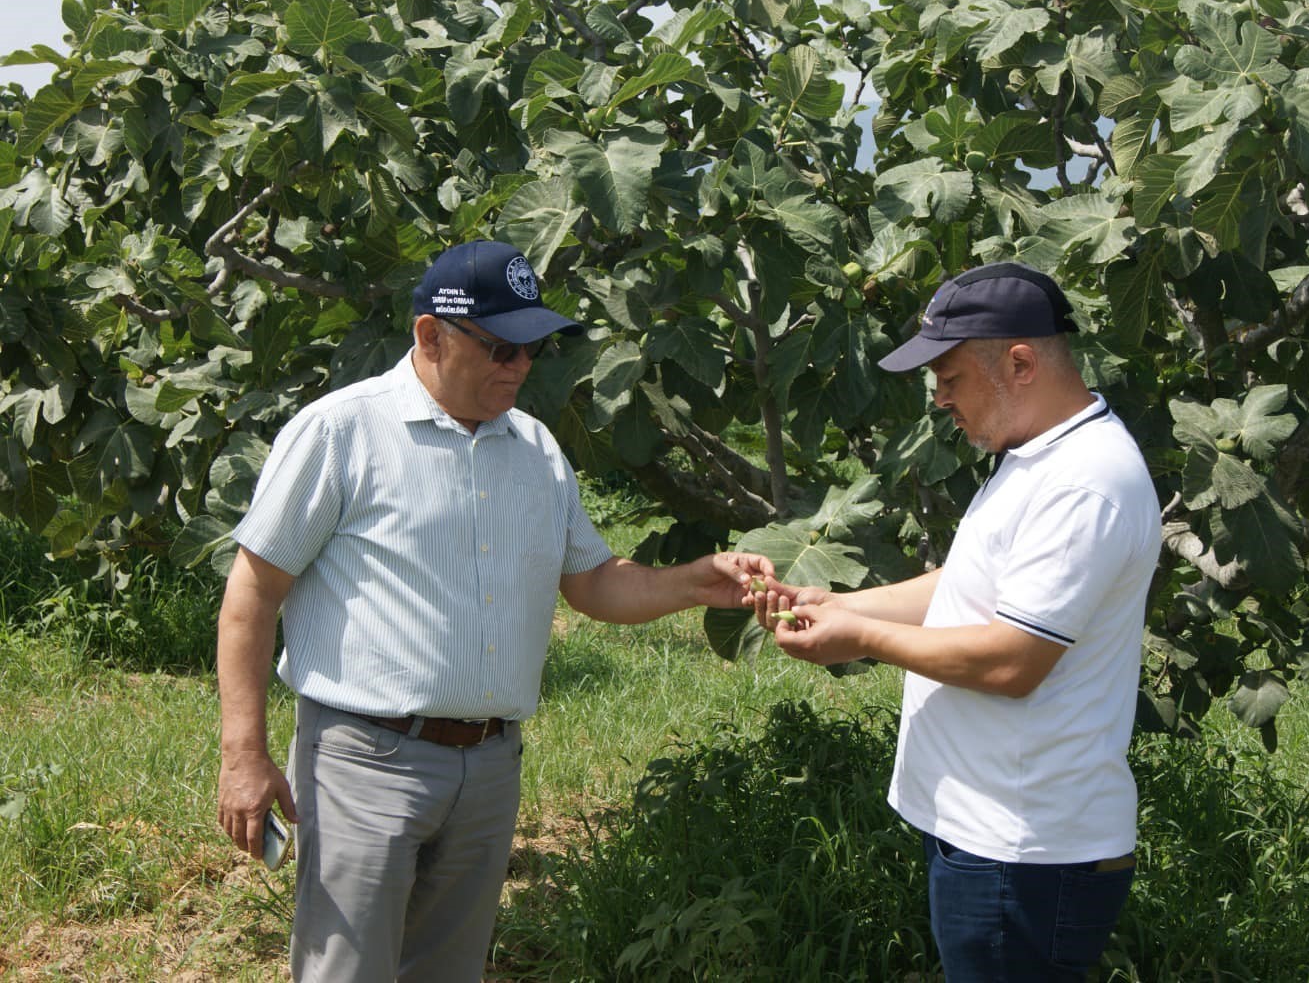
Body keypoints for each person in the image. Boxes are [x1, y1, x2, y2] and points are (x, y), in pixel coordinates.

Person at [216, 240, 772, 982]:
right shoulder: (342, 432)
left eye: (532, 349)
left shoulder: (536, 450)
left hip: (489, 766)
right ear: (429, 335)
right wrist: (243, 755)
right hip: (364, 761)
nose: (518, 367)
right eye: (499, 347)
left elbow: (594, 582)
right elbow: (252, 594)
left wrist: (696, 581)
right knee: (346, 971)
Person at [749, 261, 1161, 982]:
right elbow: (970, 587)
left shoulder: (1084, 482)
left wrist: (862, 639)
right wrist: (839, 603)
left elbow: (1011, 661)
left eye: (950, 379)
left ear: (1021, 363)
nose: (940, 400)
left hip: (1025, 851)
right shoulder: (1036, 456)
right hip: (994, 837)